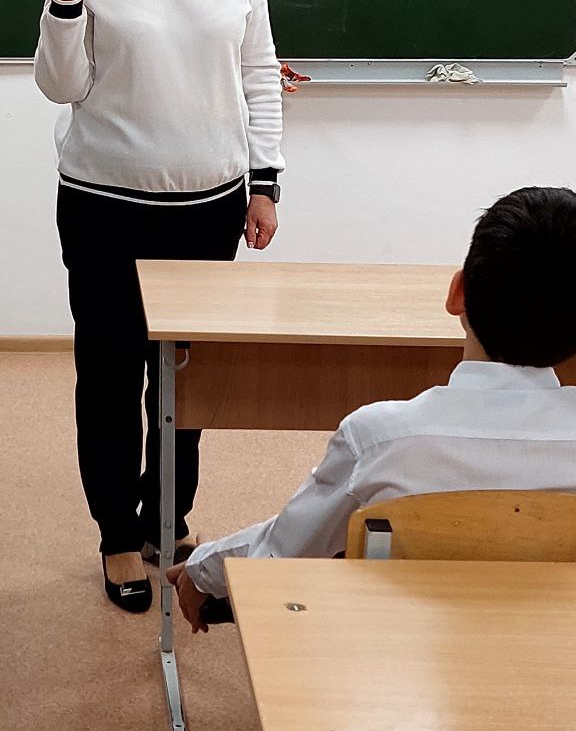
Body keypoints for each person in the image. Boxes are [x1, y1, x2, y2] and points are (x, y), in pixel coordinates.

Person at [34, 0, 284, 613]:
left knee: (182, 381)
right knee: (109, 378)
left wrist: (265, 181)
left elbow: (257, 72)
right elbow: (60, 85)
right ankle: (117, 533)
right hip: (104, 203)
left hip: (207, 207)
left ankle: (166, 518)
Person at [167, 186, 576, 632]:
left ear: (457, 293)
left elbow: (284, 551)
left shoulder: (381, 439)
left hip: (401, 649)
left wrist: (203, 568)